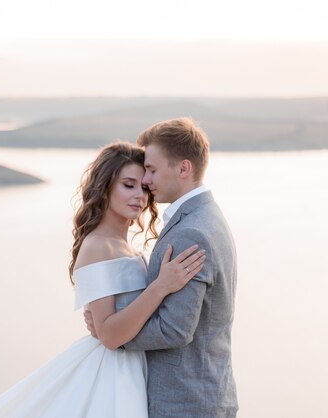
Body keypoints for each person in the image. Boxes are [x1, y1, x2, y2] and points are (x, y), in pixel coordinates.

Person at [0, 142, 205, 418]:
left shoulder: (123, 244)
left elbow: (118, 321)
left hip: (134, 367)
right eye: (128, 185)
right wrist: (160, 287)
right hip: (113, 374)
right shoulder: (97, 246)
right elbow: (109, 335)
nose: (140, 197)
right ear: (105, 187)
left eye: (143, 188)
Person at [85, 118, 239, 417]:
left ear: (183, 168)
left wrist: (109, 335)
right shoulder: (209, 215)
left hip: (185, 401)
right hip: (205, 393)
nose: (147, 182)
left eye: (152, 170)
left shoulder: (190, 232)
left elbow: (173, 330)